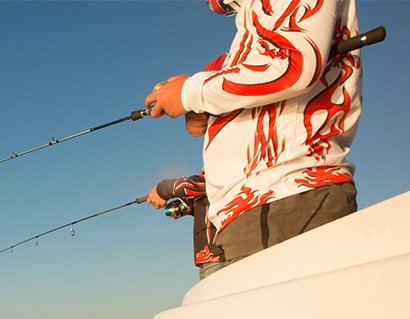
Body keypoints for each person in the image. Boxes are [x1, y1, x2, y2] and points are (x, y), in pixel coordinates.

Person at [145, 0, 361, 265]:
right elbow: (261, 76)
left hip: (289, 197)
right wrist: (201, 108)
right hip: (245, 212)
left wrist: (191, 93)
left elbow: (296, 67)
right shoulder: (250, 23)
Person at [147, 172, 225, 280]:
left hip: (219, 255)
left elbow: (211, 183)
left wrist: (163, 189)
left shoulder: (220, 162)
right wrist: (192, 206)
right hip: (205, 258)